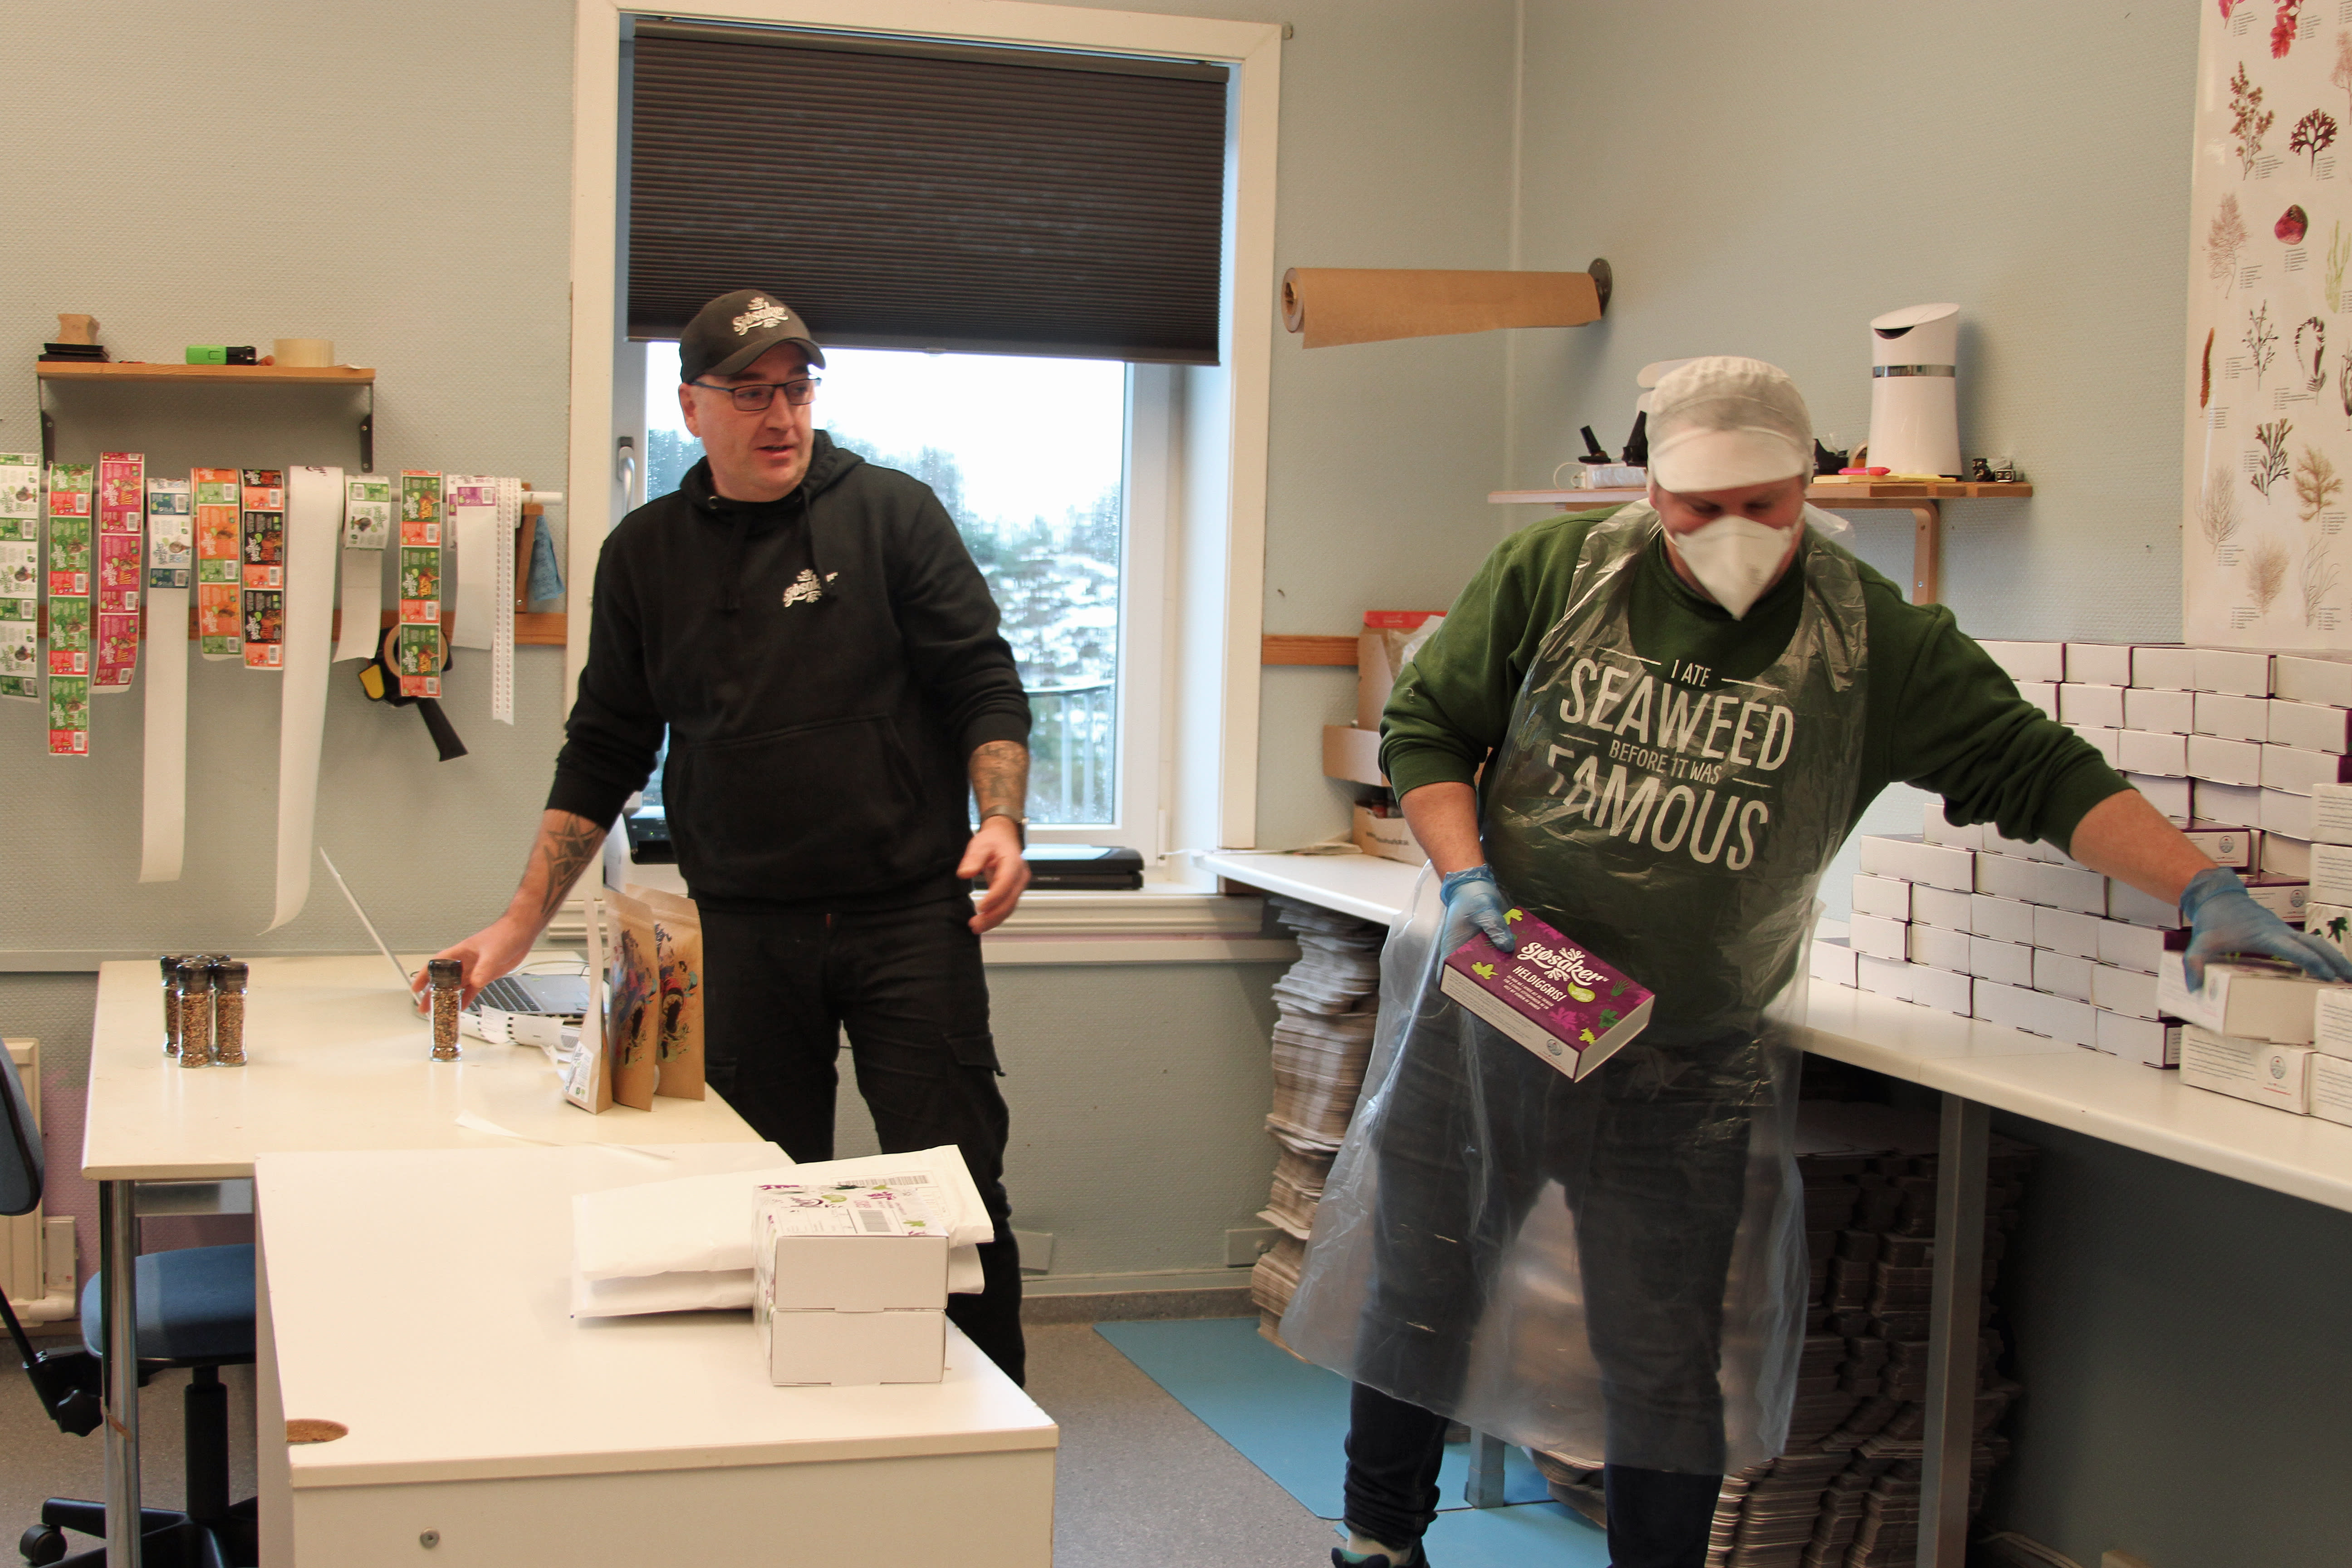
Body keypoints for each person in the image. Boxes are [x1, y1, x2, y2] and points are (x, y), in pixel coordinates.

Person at [1280, 356, 2352, 1568]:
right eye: (1700, 507)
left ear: (1810, 486)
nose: (1733, 532)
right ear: (1651, 489)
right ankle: (1379, 1543)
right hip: (1508, 1002)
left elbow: (2036, 768)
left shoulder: (1869, 639)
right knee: (1425, 1285)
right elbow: (1430, 725)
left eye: (1765, 505)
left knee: (1664, 1354)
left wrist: (2203, 886)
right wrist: (1467, 871)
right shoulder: (1560, 575)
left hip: (1685, 1052)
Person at [427, 289, 1038, 1382]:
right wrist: (519, 924)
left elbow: (982, 682)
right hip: (747, 930)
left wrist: (1000, 819)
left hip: (907, 919)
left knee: (956, 1197)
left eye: (797, 389)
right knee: (763, 1196)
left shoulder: (892, 515)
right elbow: (604, 749)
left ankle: (992, 1443)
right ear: (691, 408)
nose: (782, 416)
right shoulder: (645, 556)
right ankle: (780, 1438)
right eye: (750, 394)